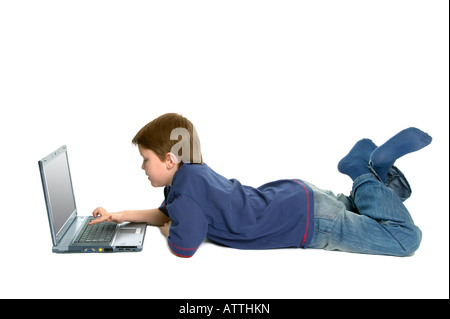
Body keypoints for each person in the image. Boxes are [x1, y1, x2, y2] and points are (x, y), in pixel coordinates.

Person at [89, 113, 432, 257]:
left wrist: (168, 229)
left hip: (309, 222)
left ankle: (361, 171)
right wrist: (118, 215)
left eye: (146, 159)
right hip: (299, 196)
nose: (142, 167)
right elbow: (163, 211)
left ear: (168, 159)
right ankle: (376, 176)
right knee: (373, 212)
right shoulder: (192, 176)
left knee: (405, 239)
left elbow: (184, 245)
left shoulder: (185, 198)